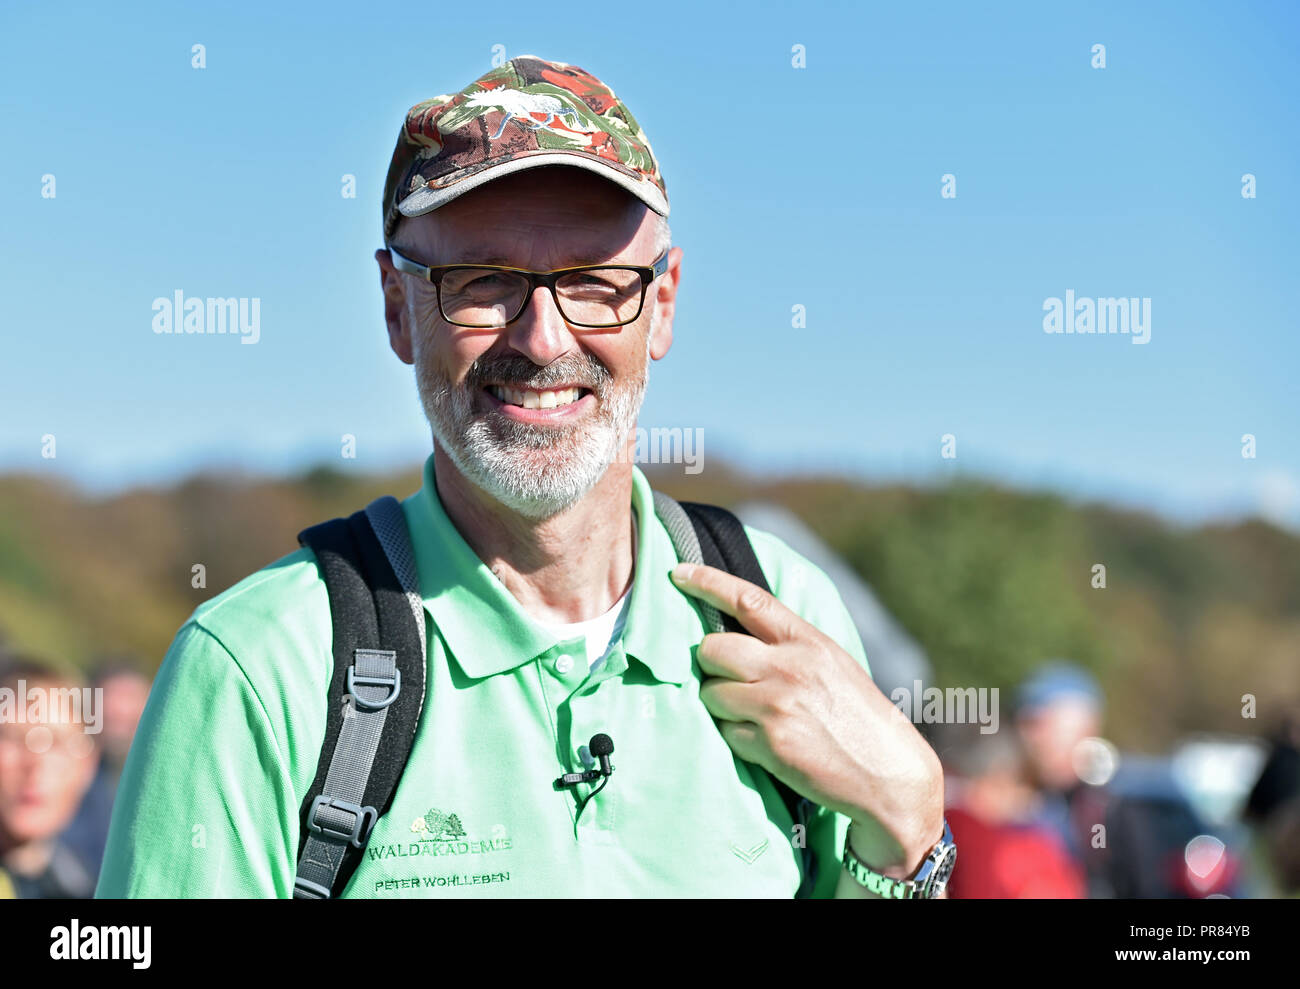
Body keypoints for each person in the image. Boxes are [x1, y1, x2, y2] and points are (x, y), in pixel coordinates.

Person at [96, 55, 946, 899]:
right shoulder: (258, 669)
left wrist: (911, 834)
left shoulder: (786, 610)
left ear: (663, 304)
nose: (542, 339)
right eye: (483, 281)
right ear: (398, 307)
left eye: (593, 281)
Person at [938, 724, 1084, 898]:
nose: (1031, 801)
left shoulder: (945, 821)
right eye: (1024, 789)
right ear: (998, 781)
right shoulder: (984, 839)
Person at [0, 657, 101, 898]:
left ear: (87, 766)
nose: (35, 764)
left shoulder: (94, 890)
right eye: (13, 737)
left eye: (55, 743)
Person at [59, 663, 151, 875]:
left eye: (130, 697)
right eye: (108, 700)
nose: (119, 711)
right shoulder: (67, 783)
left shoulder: (166, 782)